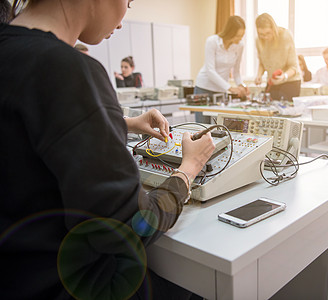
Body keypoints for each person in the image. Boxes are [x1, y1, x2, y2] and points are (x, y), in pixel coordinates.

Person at [0, 1, 215, 299]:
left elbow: (28, 133)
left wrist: (120, 122)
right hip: (72, 288)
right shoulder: (64, 67)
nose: (124, 17)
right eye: (128, 2)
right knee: (200, 285)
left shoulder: (11, 50)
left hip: (15, 279)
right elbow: (131, 227)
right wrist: (188, 170)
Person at [194, 15, 248, 99]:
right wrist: (230, 88)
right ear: (230, 32)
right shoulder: (212, 41)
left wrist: (241, 86)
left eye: (242, 35)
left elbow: (236, 71)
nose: (240, 39)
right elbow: (210, 71)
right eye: (238, 36)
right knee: (202, 112)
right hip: (204, 87)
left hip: (221, 90)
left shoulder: (240, 46)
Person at [254, 13, 301, 101]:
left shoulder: (285, 36)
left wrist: (284, 76)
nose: (265, 37)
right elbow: (262, 62)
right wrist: (259, 75)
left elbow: (293, 67)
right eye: (261, 34)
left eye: (268, 33)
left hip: (290, 81)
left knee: (282, 110)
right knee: (267, 108)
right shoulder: (259, 41)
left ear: (273, 28)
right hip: (273, 82)